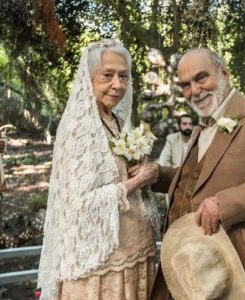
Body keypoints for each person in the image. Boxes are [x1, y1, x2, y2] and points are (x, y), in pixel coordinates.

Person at [151, 48, 245, 299]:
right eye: (185, 85)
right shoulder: (201, 128)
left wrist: (224, 205)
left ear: (224, 73)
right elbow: (198, 180)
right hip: (202, 267)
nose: (195, 90)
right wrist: (155, 175)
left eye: (201, 78)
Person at [38, 40, 159, 300]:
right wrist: (137, 182)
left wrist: (142, 169)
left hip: (133, 255)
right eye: (108, 75)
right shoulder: (79, 129)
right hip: (102, 270)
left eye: (123, 76)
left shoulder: (112, 120)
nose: (118, 85)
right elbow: (79, 204)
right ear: (88, 77)